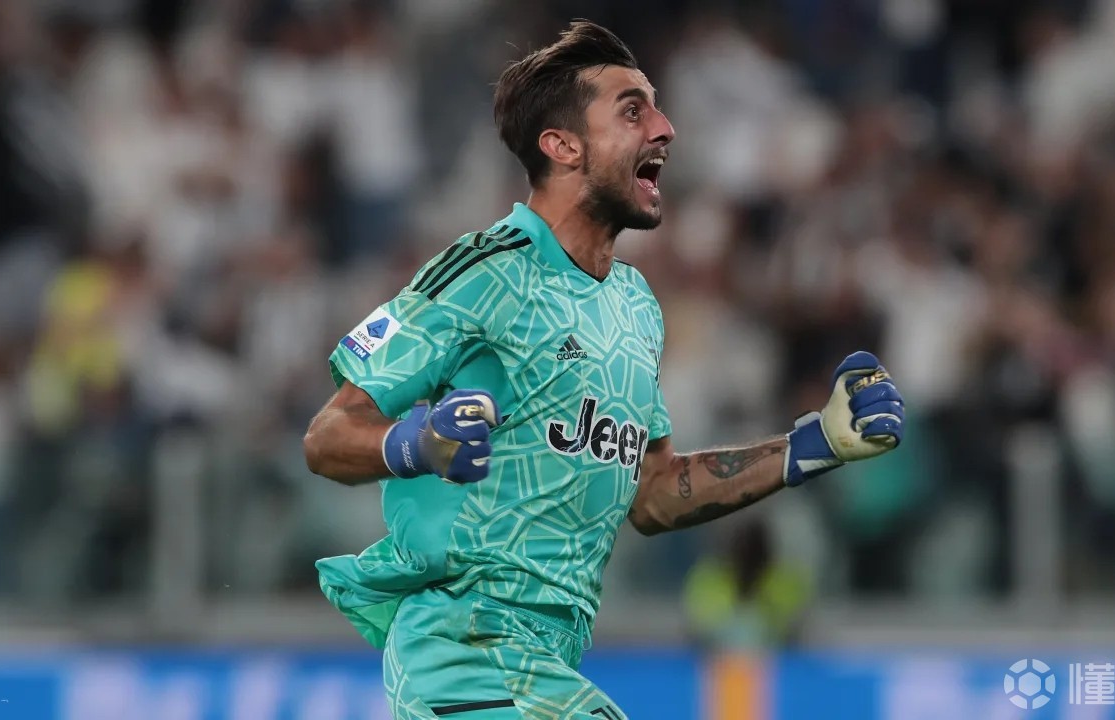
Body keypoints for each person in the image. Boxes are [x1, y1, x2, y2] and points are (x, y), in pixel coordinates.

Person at [303, 21, 905, 719]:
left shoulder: (636, 306)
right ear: (562, 146)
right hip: (465, 647)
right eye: (632, 111)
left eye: (657, 108)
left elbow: (653, 493)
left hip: (543, 660)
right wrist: (416, 444)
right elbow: (327, 436)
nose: (665, 128)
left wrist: (814, 445)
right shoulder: (483, 272)